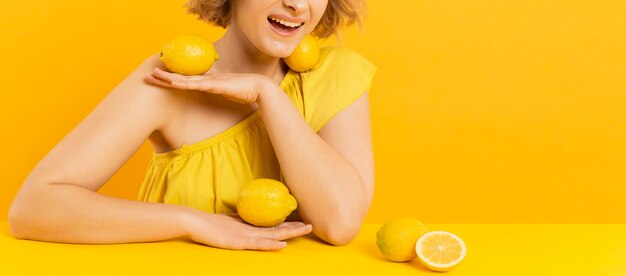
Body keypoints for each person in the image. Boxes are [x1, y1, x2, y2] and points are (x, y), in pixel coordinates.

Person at [8, 0, 376, 251]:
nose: (297, 4)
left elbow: (340, 224)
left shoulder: (334, 74)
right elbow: (33, 209)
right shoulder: (171, 81)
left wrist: (268, 96)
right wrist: (193, 222)